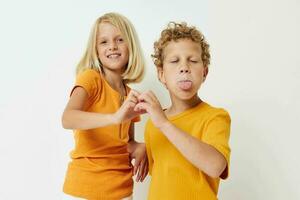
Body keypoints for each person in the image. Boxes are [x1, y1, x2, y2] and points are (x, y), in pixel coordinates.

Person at [135, 22, 231, 200]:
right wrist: (140, 146)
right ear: (161, 74)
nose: (184, 67)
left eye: (193, 60)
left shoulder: (215, 117)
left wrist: (164, 123)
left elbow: (215, 166)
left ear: (204, 72)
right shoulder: (153, 124)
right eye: (174, 61)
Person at [61, 12, 148, 200]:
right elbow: (67, 118)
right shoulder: (91, 78)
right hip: (85, 188)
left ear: (130, 45)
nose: (113, 47)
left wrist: (139, 147)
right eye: (104, 42)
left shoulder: (129, 94)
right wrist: (114, 117)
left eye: (120, 40)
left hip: (122, 189)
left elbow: (125, 142)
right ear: (96, 50)